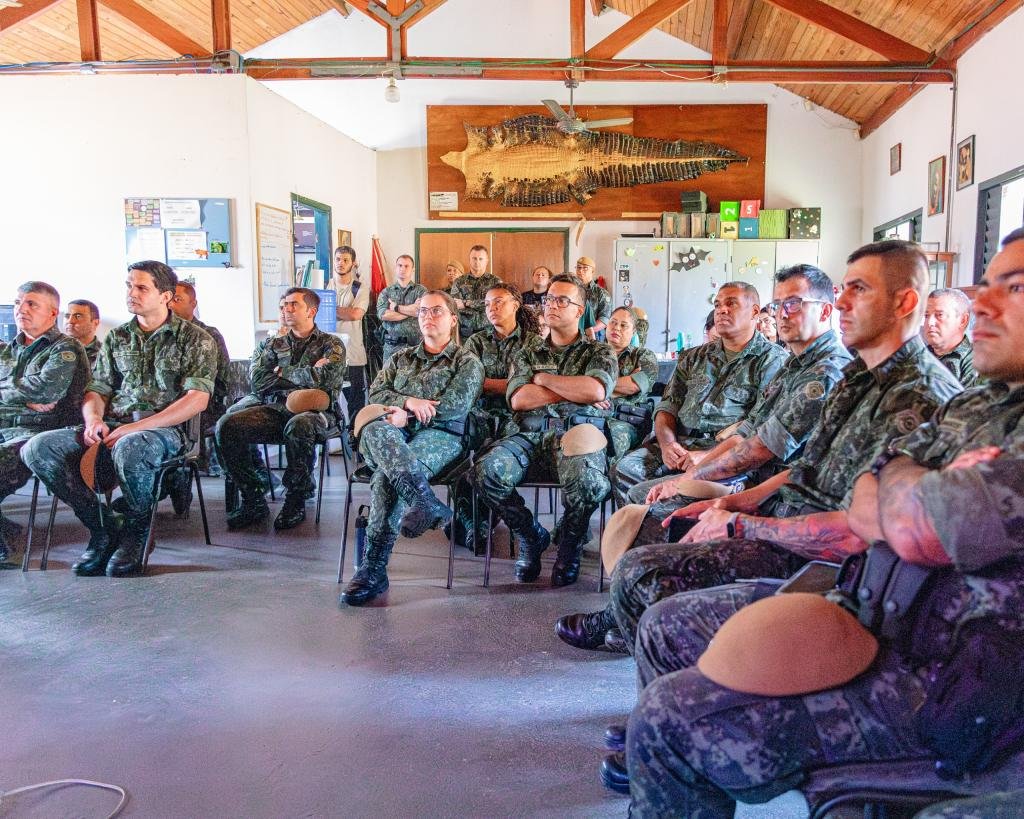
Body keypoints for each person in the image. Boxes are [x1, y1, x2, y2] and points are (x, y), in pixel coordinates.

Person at [623, 227, 1024, 817]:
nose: (980, 302)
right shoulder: (976, 403)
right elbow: (862, 490)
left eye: (1011, 287)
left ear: (903, 301)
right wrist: (907, 488)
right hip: (878, 611)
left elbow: (893, 522)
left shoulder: (932, 389)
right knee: (661, 626)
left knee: (668, 714)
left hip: (950, 686)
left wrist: (894, 492)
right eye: (986, 283)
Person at [605, 240, 963, 652]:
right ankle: (670, 684)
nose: (843, 301)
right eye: (843, 288)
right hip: (780, 518)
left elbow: (860, 533)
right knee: (647, 553)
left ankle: (676, 688)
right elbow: (804, 467)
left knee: (647, 576)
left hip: (825, 564)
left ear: (904, 302)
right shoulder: (858, 378)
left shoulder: (921, 396)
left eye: (858, 289)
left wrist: (740, 521)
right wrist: (735, 504)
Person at [555, 265, 852, 652]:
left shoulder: (824, 370)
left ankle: (625, 622)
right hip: (756, 483)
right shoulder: (795, 365)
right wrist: (688, 472)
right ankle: (631, 617)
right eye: (779, 304)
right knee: (644, 492)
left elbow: (758, 450)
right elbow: (747, 436)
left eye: (793, 303)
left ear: (825, 311)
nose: (782, 313)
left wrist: (691, 479)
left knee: (655, 518)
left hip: (777, 499)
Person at [22, 261, 216, 577]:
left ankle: (138, 533)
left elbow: (197, 399)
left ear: (166, 295)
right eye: (128, 285)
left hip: (166, 429)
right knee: (38, 448)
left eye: (141, 287)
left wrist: (135, 428)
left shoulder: (195, 338)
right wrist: (93, 420)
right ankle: (104, 527)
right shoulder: (118, 337)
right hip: (116, 423)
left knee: (131, 447)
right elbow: (97, 388)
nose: (131, 293)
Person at [472, 274, 618, 587]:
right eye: (549, 299)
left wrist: (544, 380)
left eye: (562, 300)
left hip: (575, 436)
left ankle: (570, 543)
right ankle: (531, 536)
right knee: (485, 472)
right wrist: (571, 390)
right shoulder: (527, 353)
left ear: (579, 311)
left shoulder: (599, 353)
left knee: (590, 482)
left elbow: (595, 390)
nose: (551, 305)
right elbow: (519, 399)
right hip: (529, 437)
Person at [339, 290, 483, 607]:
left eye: (436, 311)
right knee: (372, 426)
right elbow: (376, 392)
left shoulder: (467, 362)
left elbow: (456, 405)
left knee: (384, 477)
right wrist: (405, 402)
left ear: (453, 319)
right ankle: (423, 500)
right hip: (395, 431)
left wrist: (410, 414)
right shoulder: (401, 358)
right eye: (422, 312)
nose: (428, 317)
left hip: (443, 435)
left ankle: (373, 567)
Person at [613, 282, 788, 506]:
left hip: (725, 454)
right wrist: (668, 445)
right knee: (624, 471)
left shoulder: (773, 360)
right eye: (717, 305)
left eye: (731, 304)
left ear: (755, 311)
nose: (721, 310)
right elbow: (668, 406)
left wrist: (708, 456)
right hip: (679, 445)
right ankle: (643, 532)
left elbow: (757, 428)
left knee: (646, 494)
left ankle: (667, 534)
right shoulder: (694, 357)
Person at [215, 288, 346, 532]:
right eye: (284, 304)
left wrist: (281, 373)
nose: (286, 309)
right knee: (228, 425)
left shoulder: (331, 344)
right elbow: (259, 381)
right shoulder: (272, 344)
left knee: (300, 425)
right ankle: (254, 497)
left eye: (293, 305)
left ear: (312, 311)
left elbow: (326, 380)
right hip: (274, 407)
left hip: (314, 410)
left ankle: (295, 499)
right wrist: (307, 373)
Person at [450, 283, 544, 550]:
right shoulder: (476, 342)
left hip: (519, 421)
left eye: (499, 302)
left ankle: (496, 521)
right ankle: (475, 523)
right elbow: (468, 383)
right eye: (488, 304)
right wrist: (514, 383)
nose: (492, 308)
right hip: (479, 417)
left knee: (489, 467)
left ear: (515, 304)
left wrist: (491, 383)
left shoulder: (533, 343)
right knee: (454, 464)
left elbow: (536, 387)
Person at [0, 282, 89, 562]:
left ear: (52, 314)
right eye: (17, 303)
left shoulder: (64, 348)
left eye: (31, 304)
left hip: (38, 432)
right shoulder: (7, 350)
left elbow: (47, 390)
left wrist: (11, 390)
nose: (21, 310)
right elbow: (33, 389)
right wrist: (21, 392)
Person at [602, 307, 659, 463]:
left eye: (623, 325)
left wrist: (594, 389)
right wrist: (617, 388)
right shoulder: (591, 353)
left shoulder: (643, 356)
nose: (616, 328)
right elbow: (576, 387)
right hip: (589, 416)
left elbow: (633, 386)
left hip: (625, 422)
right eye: (613, 322)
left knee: (606, 448)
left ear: (633, 331)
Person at [329, 245, 370, 435]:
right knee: (330, 394)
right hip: (329, 352)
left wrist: (329, 311)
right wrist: (342, 312)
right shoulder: (326, 286)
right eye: (338, 259)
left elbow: (355, 314)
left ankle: (356, 436)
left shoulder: (359, 288)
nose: (341, 263)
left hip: (353, 351)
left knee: (355, 397)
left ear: (353, 263)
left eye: (345, 260)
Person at [923, 286, 977, 387]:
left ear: (962, 320)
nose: (930, 322)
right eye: (926, 315)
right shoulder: (919, 356)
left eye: (939, 315)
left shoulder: (975, 363)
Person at [376, 255, 426, 363]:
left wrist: (396, 308)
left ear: (413, 269)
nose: (402, 269)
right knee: (388, 379)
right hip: (391, 347)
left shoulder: (421, 291)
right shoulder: (386, 292)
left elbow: (422, 312)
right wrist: (411, 310)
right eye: (400, 265)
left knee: (415, 379)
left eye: (406, 266)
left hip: (415, 347)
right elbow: (383, 315)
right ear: (395, 267)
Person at [451, 245, 502, 338]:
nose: (477, 262)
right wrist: (484, 303)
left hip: (490, 331)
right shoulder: (459, 282)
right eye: (474, 258)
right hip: (465, 333)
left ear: (487, 261)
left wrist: (466, 303)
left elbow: (497, 304)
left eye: (480, 259)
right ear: (469, 260)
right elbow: (456, 305)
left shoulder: (496, 281)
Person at [574, 256, 611, 340]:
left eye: (585, 268)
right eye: (578, 268)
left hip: (595, 337)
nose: (580, 271)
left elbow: (605, 319)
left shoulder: (601, 293)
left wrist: (584, 331)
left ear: (592, 271)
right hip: (572, 336)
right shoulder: (572, 290)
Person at [62, 299, 101, 366]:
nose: (70, 321)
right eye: (67, 316)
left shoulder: (105, 353)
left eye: (78, 316)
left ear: (95, 323)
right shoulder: (53, 348)